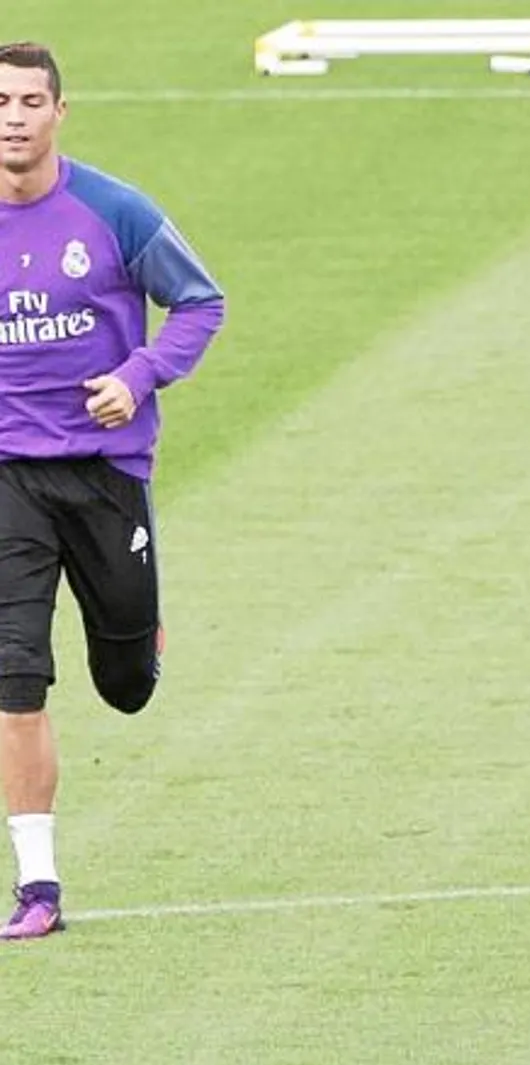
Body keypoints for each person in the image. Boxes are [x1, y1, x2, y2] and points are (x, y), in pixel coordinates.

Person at [0, 41, 225, 940]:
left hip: (105, 474)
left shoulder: (114, 211)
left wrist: (137, 375)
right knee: (14, 675)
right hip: (8, 474)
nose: (11, 116)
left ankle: (143, 631)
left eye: (27, 101)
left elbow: (201, 302)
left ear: (60, 112)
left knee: (125, 683)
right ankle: (39, 886)